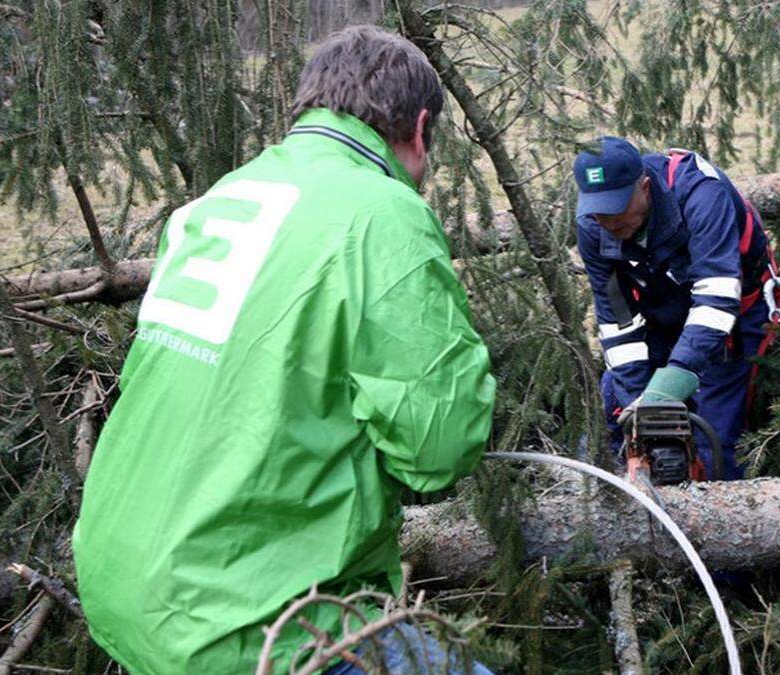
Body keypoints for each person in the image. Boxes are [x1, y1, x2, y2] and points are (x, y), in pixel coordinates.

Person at [72, 26, 495, 674]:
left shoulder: (215, 200)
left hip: (120, 584)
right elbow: (437, 448)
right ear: (418, 129)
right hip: (248, 618)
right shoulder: (381, 213)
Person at [574, 137, 780, 480]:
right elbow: (617, 321)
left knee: (714, 436)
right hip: (664, 312)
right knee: (615, 404)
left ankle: (715, 512)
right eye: (599, 212)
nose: (609, 224)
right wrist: (637, 407)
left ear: (644, 187)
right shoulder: (592, 226)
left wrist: (667, 388)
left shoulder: (700, 194)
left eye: (616, 209)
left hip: (732, 317)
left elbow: (717, 300)